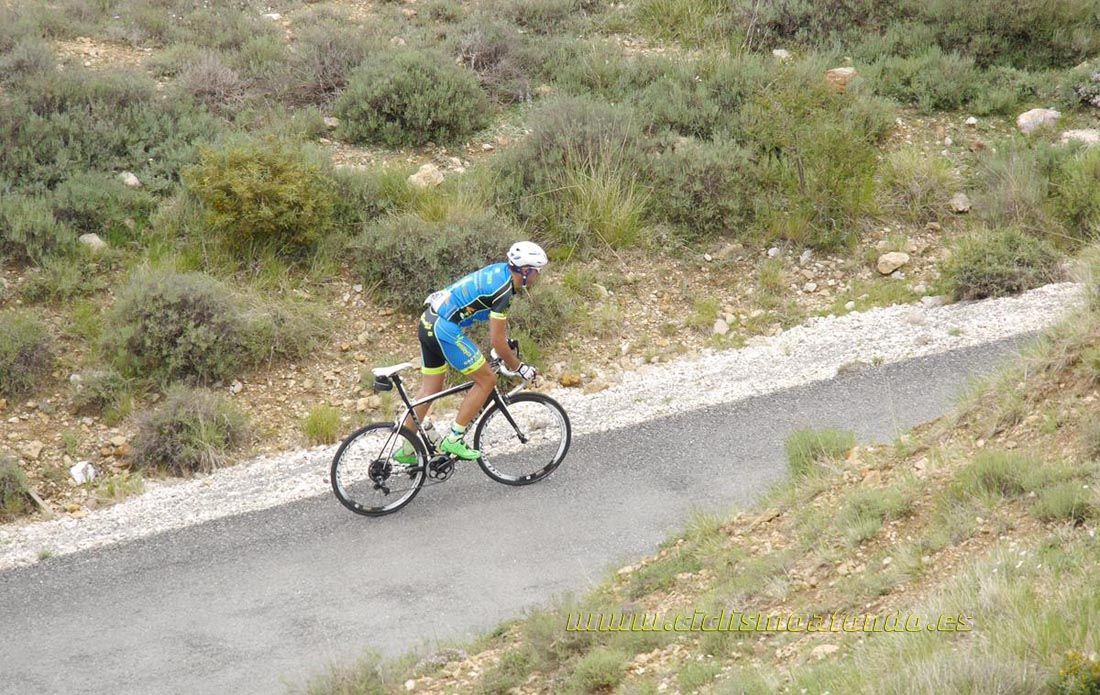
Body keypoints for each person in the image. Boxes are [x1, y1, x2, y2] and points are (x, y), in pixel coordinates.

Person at [393, 241, 548, 464]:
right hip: (443, 327)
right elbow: (496, 341)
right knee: (487, 379)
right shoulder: (504, 292)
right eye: (536, 270)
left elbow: (492, 326)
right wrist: (519, 367)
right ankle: (454, 438)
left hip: (428, 321)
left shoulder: (500, 271)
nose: (538, 276)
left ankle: (407, 449)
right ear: (525, 271)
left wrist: (504, 346)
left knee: (430, 389)